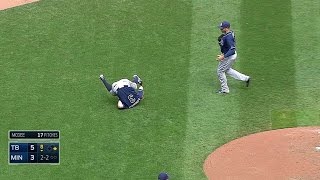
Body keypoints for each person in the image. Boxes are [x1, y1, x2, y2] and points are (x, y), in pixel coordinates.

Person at [216, 21, 250, 94]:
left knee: (220, 71)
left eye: (222, 28)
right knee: (227, 70)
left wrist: (223, 56)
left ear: (226, 28)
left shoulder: (228, 37)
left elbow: (232, 49)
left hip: (229, 56)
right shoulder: (230, 33)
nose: (220, 29)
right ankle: (246, 78)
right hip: (228, 55)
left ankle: (225, 90)